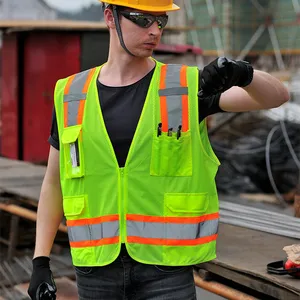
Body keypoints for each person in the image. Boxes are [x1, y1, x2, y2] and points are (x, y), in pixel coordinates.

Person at [28, 1, 289, 299]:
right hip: (95, 269)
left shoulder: (187, 87)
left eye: (160, 21)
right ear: (109, 17)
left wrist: (244, 74)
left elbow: (277, 97)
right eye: (142, 19)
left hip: (165, 272)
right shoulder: (71, 94)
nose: (154, 31)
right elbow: (53, 183)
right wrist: (40, 260)